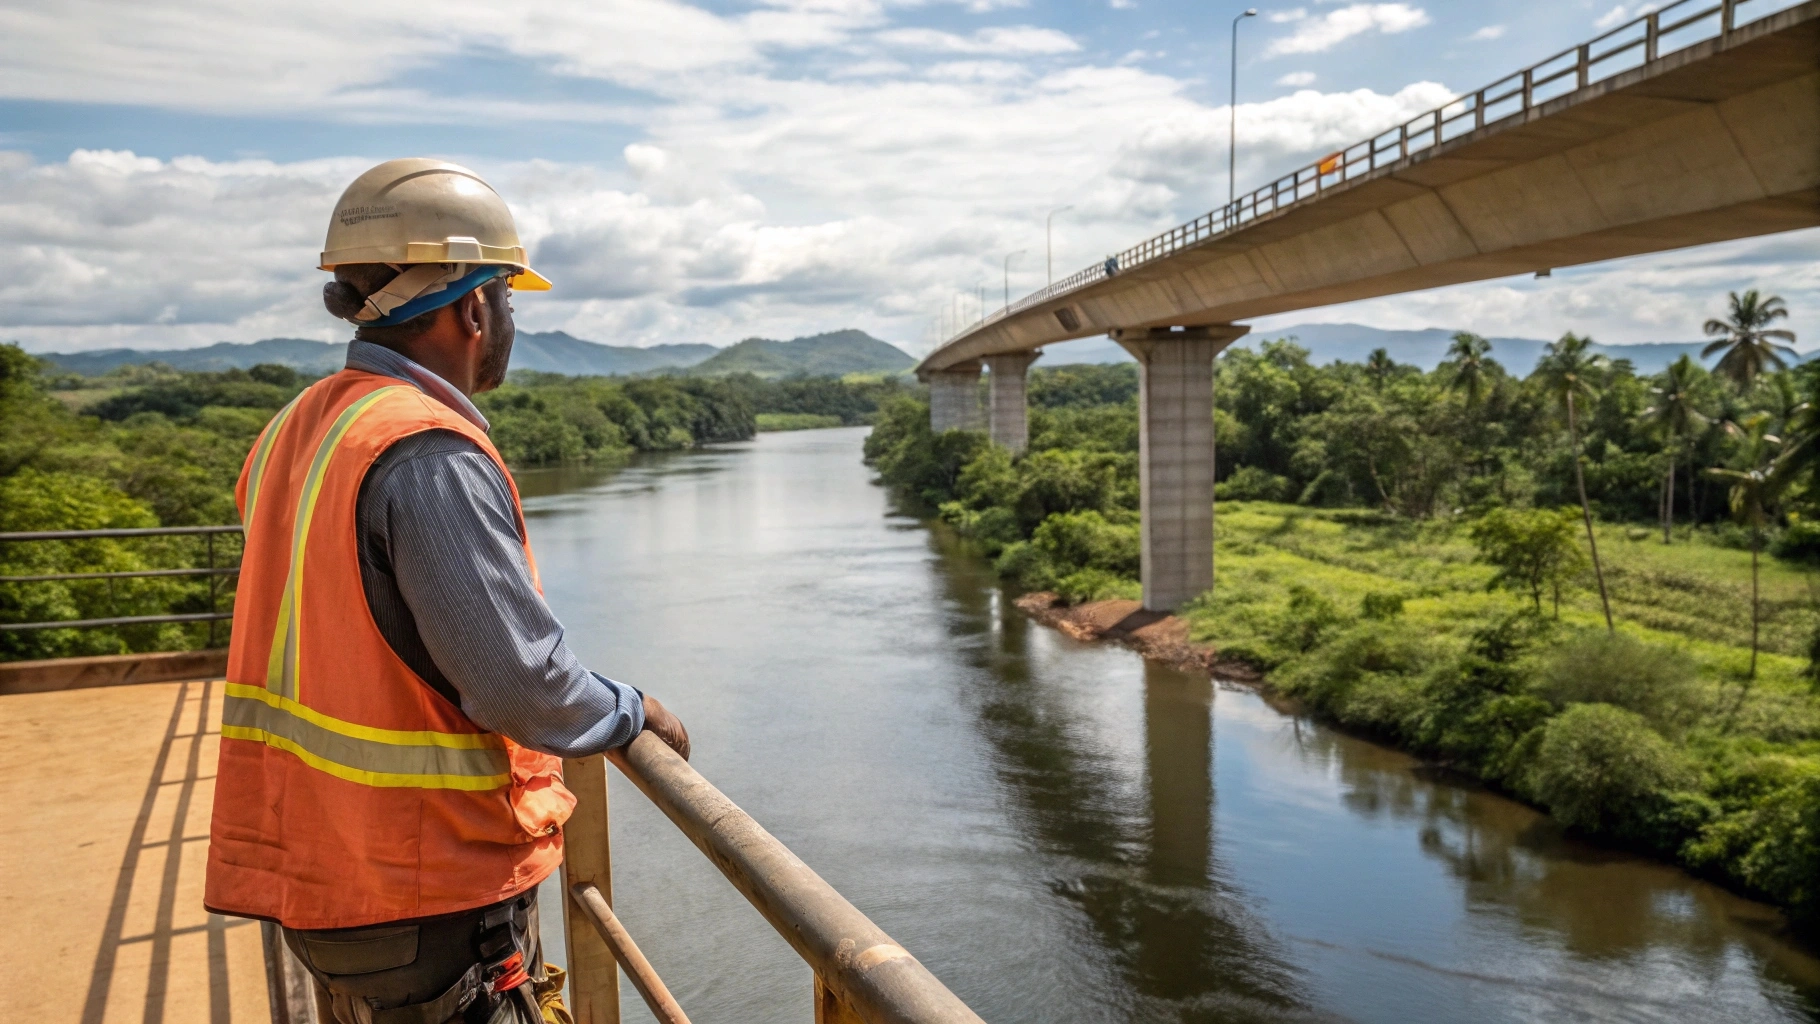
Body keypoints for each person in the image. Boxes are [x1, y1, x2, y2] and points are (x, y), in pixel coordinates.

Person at [204, 158, 691, 1024]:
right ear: (474, 307)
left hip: (326, 871)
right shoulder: (427, 452)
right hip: (422, 892)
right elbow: (519, 685)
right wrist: (632, 710)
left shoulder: (300, 426)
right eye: (508, 299)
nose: (507, 320)